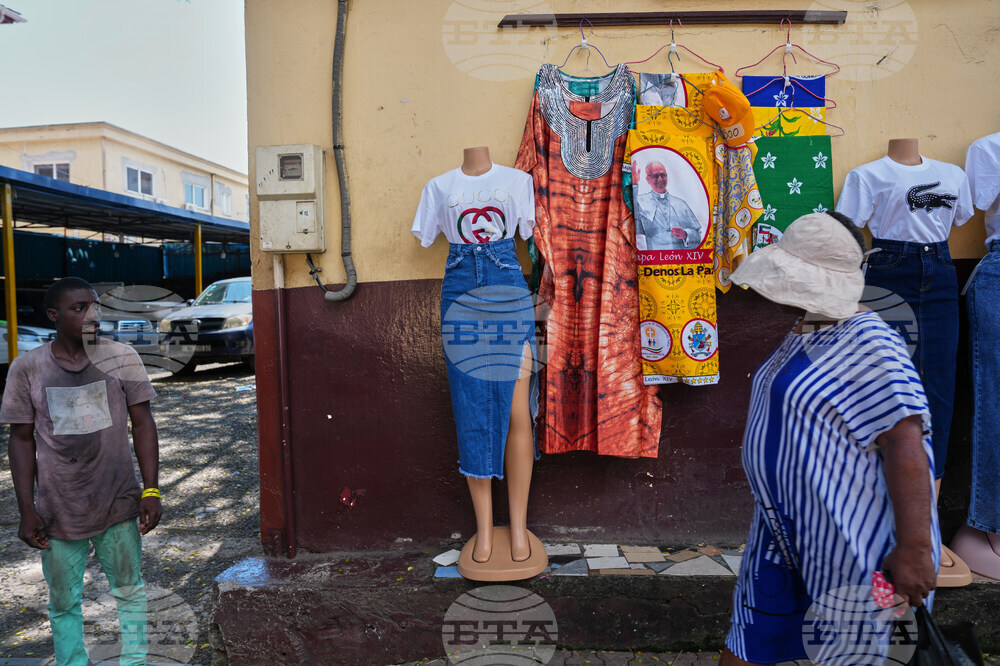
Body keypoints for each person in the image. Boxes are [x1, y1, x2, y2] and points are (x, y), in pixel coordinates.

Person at [722, 212, 940, 665]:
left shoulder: (871, 342)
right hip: (783, 535)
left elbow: (906, 443)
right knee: (749, 644)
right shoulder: (807, 329)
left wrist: (916, 548)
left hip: (858, 542)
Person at [2, 276, 161, 665]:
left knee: (129, 591)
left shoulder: (122, 358)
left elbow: (143, 423)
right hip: (58, 508)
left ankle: (135, 662)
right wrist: (27, 509)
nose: (92, 315)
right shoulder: (27, 368)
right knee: (63, 601)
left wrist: (151, 489)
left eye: (95, 306)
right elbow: (20, 440)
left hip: (117, 500)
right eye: (79, 308)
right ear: (54, 315)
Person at [634, 161, 702, 250]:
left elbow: (698, 234)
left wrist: (685, 234)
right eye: (655, 176)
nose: (660, 179)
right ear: (648, 179)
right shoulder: (640, 201)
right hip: (654, 256)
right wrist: (634, 185)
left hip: (679, 257)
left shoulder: (681, 204)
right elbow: (630, 219)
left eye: (663, 175)